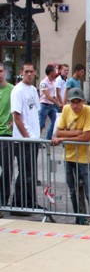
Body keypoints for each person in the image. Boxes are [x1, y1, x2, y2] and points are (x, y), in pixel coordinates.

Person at [52, 88, 90, 226]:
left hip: (85, 158)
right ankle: (79, 219)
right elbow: (58, 132)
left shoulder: (89, 111)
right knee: (72, 191)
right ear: (69, 102)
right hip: (69, 157)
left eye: (78, 102)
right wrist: (76, 133)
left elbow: (86, 136)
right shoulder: (66, 110)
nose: (75, 106)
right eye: (72, 102)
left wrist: (65, 137)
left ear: (84, 101)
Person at [10, 61, 40, 211]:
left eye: (31, 72)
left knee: (31, 173)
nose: (29, 74)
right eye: (26, 71)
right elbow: (16, 117)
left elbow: (36, 112)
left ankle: (30, 201)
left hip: (34, 138)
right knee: (24, 172)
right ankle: (19, 203)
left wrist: (37, 136)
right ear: (22, 72)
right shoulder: (17, 90)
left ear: (35, 73)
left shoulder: (34, 90)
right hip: (23, 140)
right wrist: (27, 136)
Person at [0, 63, 14, 214]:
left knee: (6, 168)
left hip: (5, 135)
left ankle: (3, 199)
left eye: (1, 71)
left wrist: (15, 122)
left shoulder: (11, 89)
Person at [38, 64, 59, 140]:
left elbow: (53, 94)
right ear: (51, 72)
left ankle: (48, 138)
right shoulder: (44, 82)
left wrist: (57, 101)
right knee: (41, 123)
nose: (55, 73)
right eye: (54, 71)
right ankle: (38, 139)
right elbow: (47, 96)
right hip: (44, 104)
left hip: (51, 105)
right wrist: (57, 103)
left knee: (54, 121)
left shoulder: (53, 82)